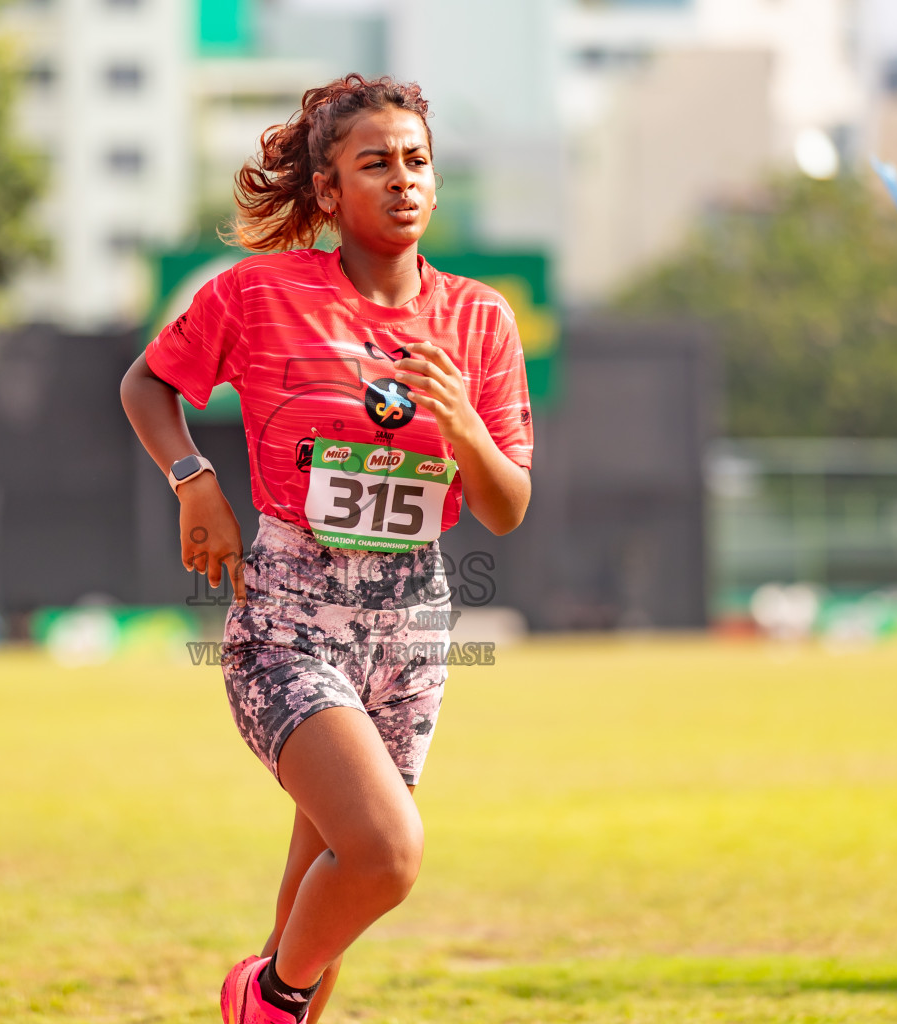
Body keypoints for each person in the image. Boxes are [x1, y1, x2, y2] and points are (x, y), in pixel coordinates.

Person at [120, 73, 534, 1024]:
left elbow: (506, 508)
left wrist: (466, 425)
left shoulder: (481, 321)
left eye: (418, 161)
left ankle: (272, 998)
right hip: (289, 623)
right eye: (375, 163)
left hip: (410, 636)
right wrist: (196, 483)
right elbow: (148, 385)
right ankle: (261, 996)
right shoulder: (261, 296)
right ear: (327, 191)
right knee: (387, 853)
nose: (403, 181)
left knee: (322, 903)